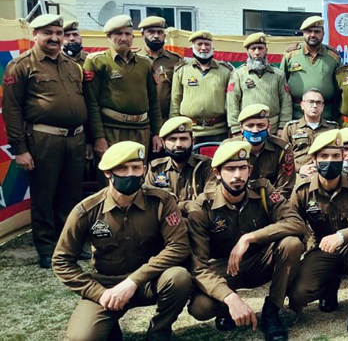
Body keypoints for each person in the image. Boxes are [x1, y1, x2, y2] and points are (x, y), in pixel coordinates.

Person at [52, 141, 191, 340]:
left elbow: (178, 246)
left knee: (179, 277)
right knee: (82, 338)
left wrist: (133, 282)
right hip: (107, 286)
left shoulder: (161, 201)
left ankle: (159, 332)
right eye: (122, 169)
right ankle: (110, 325)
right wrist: (98, 293)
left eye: (136, 168)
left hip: (149, 281)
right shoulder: (87, 210)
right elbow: (61, 261)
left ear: (144, 170)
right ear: (108, 172)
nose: (130, 174)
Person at [185, 141, 305, 340]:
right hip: (225, 269)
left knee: (291, 244)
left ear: (249, 169)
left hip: (260, 261)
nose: (237, 175)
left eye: (242, 168)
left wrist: (250, 237)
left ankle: (272, 311)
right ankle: (228, 310)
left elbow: (296, 223)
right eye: (230, 169)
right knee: (200, 307)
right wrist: (230, 298)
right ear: (216, 173)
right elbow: (198, 267)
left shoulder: (263, 190)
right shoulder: (202, 208)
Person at [3, 14, 88, 268]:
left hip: (75, 139)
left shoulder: (72, 65)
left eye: (58, 33)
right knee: (44, 197)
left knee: (71, 195)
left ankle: (69, 245)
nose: (55, 38)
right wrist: (20, 149)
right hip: (43, 140)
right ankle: (47, 249)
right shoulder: (21, 66)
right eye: (48, 33)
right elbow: (12, 110)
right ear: (35, 35)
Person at [286, 130, 348, 334]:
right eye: (324, 156)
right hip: (323, 249)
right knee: (298, 294)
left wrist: (343, 235)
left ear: (342, 158)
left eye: (335, 156)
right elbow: (291, 223)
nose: (330, 161)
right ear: (314, 159)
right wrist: (305, 246)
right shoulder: (303, 190)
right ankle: (329, 284)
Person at [84, 14, 163, 156]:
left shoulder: (145, 63)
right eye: (118, 34)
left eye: (128, 34)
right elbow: (91, 103)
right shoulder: (97, 61)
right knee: (113, 169)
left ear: (133, 37)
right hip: (111, 130)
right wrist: (98, 137)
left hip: (141, 130)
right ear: (109, 37)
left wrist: (157, 132)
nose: (124, 38)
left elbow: (153, 101)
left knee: (139, 168)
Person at [171, 30, 233, 143]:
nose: (203, 48)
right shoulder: (182, 70)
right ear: (192, 47)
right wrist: (174, 127)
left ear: (212, 47)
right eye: (199, 44)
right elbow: (175, 101)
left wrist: (232, 127)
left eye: (207, 44)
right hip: (190, 131)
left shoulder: (226, 71)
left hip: (218, 131)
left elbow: (232, 102)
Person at [227, 32, 292, 137]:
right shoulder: (238, 74)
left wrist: (282, 127)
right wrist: (235, 129)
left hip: (273, 130)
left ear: (266, 50)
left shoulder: (278, 75)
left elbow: (286, 102)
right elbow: (232, 103)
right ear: (247, 51)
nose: (257, 52)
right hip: (247, 130)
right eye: (253, 49)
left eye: (260, 48)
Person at [146, 116, 215, 213]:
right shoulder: (156, 168)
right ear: (163, 142)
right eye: (172, 139)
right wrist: (188, 205)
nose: (178, 144)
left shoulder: (206, 166)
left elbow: (210, 200)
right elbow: (149, 203)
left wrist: (174, 205)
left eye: (183, 139)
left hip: (197, 220)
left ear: (193, 141)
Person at [281, 15, 341, 120]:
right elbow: (282, 84)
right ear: (303, 33)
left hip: (325, 115)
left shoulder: (333, 57)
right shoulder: (291, 55)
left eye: (317, 32)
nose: (313, 35)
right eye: (309, 31)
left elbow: (338, 89)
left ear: (323, 33)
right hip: (296, 114)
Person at [229, 104, 295, 197]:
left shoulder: (282, 149)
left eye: (260, 125)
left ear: (269, 128)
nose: (255, 130)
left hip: (271, 200)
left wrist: (272, 203)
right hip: (237, 199)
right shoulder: (229, 148)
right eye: (250, 126)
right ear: (241, 128)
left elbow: (284, 188)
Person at [136, 16, 182, 124]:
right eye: (151, 32)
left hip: (165, 121)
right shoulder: (135, 58)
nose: (156, 36)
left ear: (164, 36)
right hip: (140, 122)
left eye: (160, 32)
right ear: (143, 35)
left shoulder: (175, 60)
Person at [282, 89, 338, 175]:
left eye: (319, 103)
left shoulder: (332, 128)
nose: (315, 106)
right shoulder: (291, 128)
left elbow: (339, 154)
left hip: (325, 174)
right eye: (310, 102)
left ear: (323, 107)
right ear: (302, 105)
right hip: (297, 174)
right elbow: (282, 156)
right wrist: (298, 168)